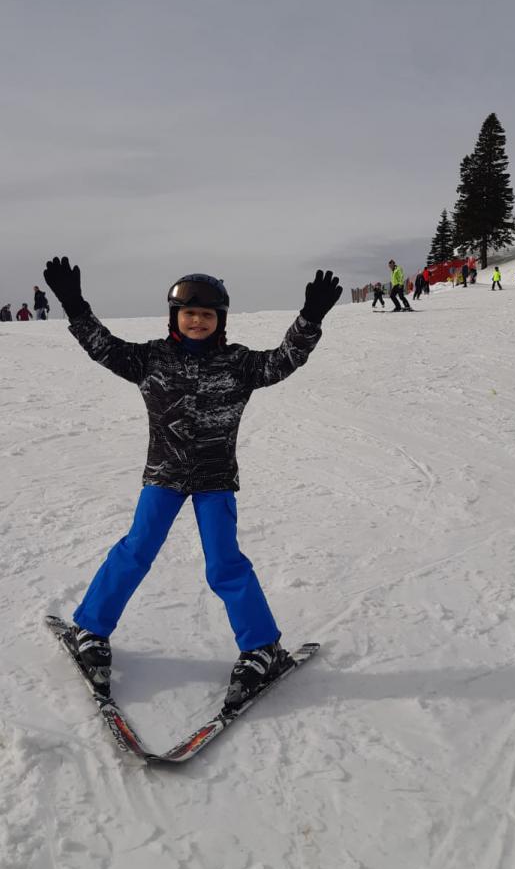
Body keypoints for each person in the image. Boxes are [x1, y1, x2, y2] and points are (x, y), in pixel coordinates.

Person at [41, 258, 343, 711]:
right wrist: (74, 304)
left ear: (220, 319)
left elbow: (282, 361)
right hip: (163, 476)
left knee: (225, 564)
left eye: (206, 314)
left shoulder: (238, 363)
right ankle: (91, 630)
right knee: (136, 550)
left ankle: (261, 647)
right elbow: (102, 346)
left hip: (214, 481)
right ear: (174, 317)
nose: (197, 321)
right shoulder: (150, 359)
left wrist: (310, 318)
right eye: (189, 313)